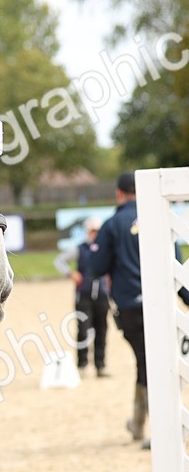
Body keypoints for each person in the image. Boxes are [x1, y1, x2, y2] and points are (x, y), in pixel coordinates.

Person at [89, 172, 147, 444]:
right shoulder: (156, 218)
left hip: (130, 303)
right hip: (159, 302)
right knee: (153, 361)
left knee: (144, 361)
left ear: (119, 193)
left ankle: (142, 423)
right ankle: (139, 423)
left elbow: (97, 268)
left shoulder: (112, 224)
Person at [54, 216, 110, 376]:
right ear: (87, 231)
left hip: (101, 295)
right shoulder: (80, 249)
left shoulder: (105, 248)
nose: (95, 234)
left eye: (97, 231)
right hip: (84, 295)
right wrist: (70, 273)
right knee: (83, 331)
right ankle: (83, 364)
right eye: (92, 231)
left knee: (102, 330)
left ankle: (100, 365)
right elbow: (59, 261)